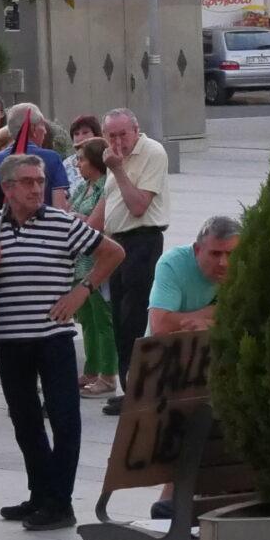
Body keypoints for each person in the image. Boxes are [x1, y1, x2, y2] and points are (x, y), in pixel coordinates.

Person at [0, 153, 124, 531]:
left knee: (64, 418)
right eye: (28, 182)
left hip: (53, 338)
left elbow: (113, 252)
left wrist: (82, 291)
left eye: (40, 181)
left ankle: (60, 502)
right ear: (7, 188)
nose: (37, 188)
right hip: (10, 339)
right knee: (25, 422)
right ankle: (41, 493)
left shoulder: (62, 223)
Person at [99, 109, 171, 410]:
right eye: (111, 136)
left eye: (123, 134)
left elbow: (138, 206)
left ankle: (136, 390)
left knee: (134, 318)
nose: (118, 142)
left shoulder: (152, 152)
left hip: (142, 240)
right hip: (116, 243)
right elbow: (109, 202)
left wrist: (118, 170)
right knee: (118, 317)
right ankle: (128, 386)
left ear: (136, 130)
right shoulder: (112, 158)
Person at [65, 139, 120, 393]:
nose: (78, 164)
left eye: (82, 159)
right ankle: (90, 370)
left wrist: (76, 219)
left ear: (95, 161)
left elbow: (93, 225)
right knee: (87, 320)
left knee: (102, 320)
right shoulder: (83, 187)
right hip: (79, 263)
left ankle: (108, 375)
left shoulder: (105, 187)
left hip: (98, 263)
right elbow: (67, 214)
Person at [0, 104, 67, 223]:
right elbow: (60, 208)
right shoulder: (53, 158)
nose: (45, 131)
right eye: (42, 125)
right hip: (45, 231)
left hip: (3, 231)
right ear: (33, 129)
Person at [148, 216, 238, 336]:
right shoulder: (173, 263)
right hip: (165, 346)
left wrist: (211, 324)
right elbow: (159, 326)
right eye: (215, 254)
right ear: (197, 249)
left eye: (231, 254)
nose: (223, 263)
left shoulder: (246, 265)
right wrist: (214, 313)